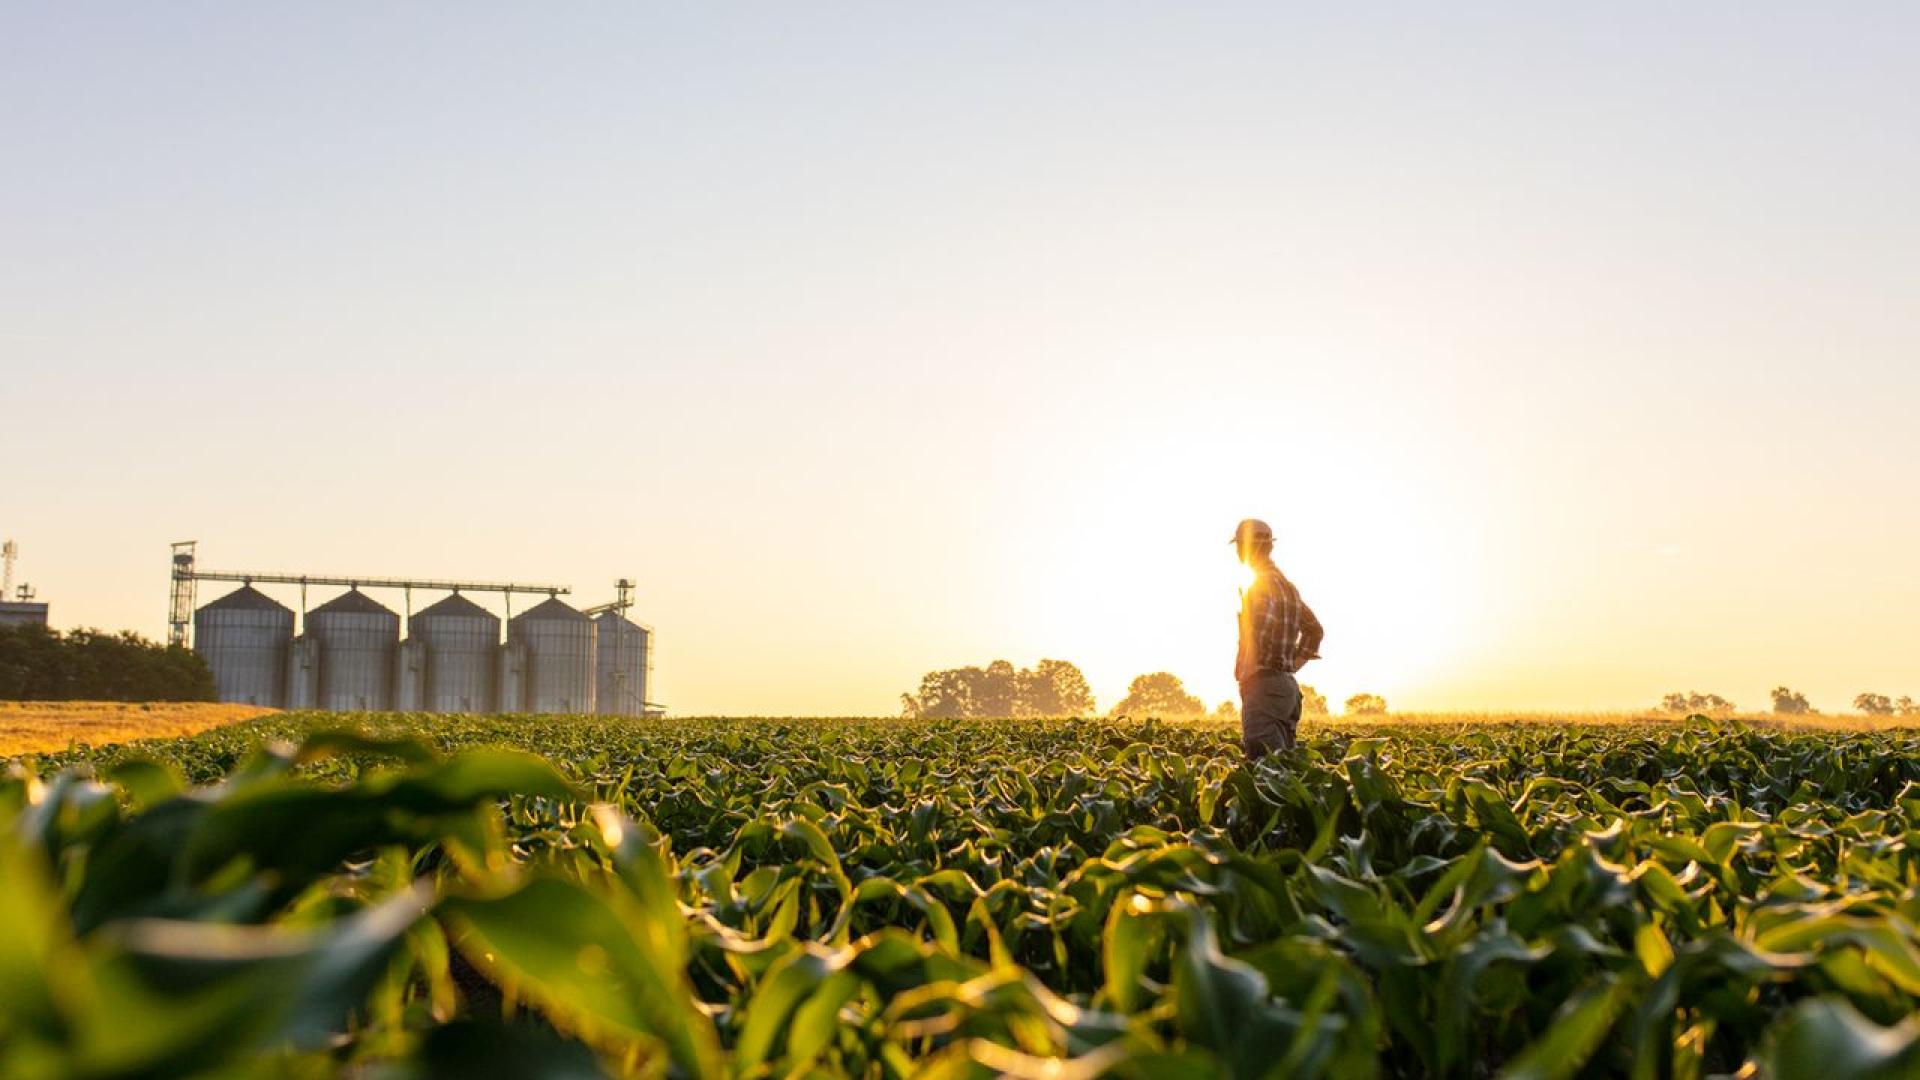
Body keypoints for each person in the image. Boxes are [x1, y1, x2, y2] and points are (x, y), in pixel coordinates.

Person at [1232, 518, 1323, 758]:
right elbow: (1315, 630)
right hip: (1286, 688)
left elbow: (1260, 629)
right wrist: (1291, 664)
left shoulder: (1259, 586)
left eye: (1240, 546)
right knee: (1286, 768)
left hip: (1264, 686)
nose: (1238, 552)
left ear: (1249, 547)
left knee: (1265, 768)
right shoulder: (1287, 587)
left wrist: (1249, 668)